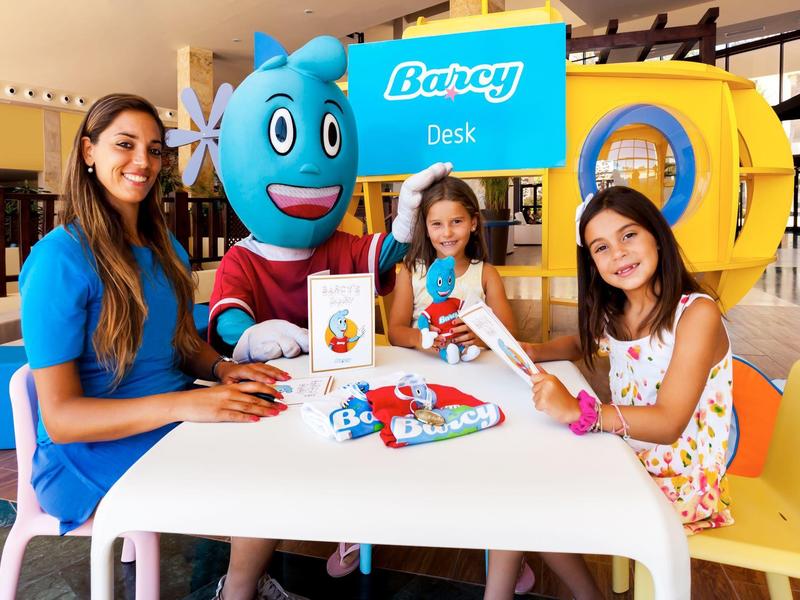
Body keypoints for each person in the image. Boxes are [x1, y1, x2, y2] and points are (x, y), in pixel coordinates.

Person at [19, 94, 305, 600]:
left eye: (154, 150)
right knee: (267, 475)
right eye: (124, 145)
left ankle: (240, 586)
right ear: (88, 151)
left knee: (280, 438)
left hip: (165, 424)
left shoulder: (165, 247)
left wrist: (219, 369)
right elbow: (61, 418)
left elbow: (178, 343)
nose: (143, 163)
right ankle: (238, 591)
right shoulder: (57, 261)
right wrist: (186, 404)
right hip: (84, 455)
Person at [486, 186, 733, 599]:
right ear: (592, 262)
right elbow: (585, 342)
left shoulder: (696, 314)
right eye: (601, 247)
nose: (617, 253)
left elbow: (670, 422)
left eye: (628, 235)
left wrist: (581, 412)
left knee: (526, 496)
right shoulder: (619, 310)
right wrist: (535, 350)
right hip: (627, 452)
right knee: (518, 482)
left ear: (657, 234)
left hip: (682, 480)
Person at [387, 176, 535, 593]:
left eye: (455, 222)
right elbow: (397, 330)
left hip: (478, 380)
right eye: (437, 224)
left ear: (473, 223)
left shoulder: (485, 273)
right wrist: (425, 339)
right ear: (424, 227)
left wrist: (483, 332)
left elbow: (508, 329)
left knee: (491, 454)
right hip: (425, 383)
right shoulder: (411, 272)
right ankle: (364, 526)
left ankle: (507, 542)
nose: (446, 233)